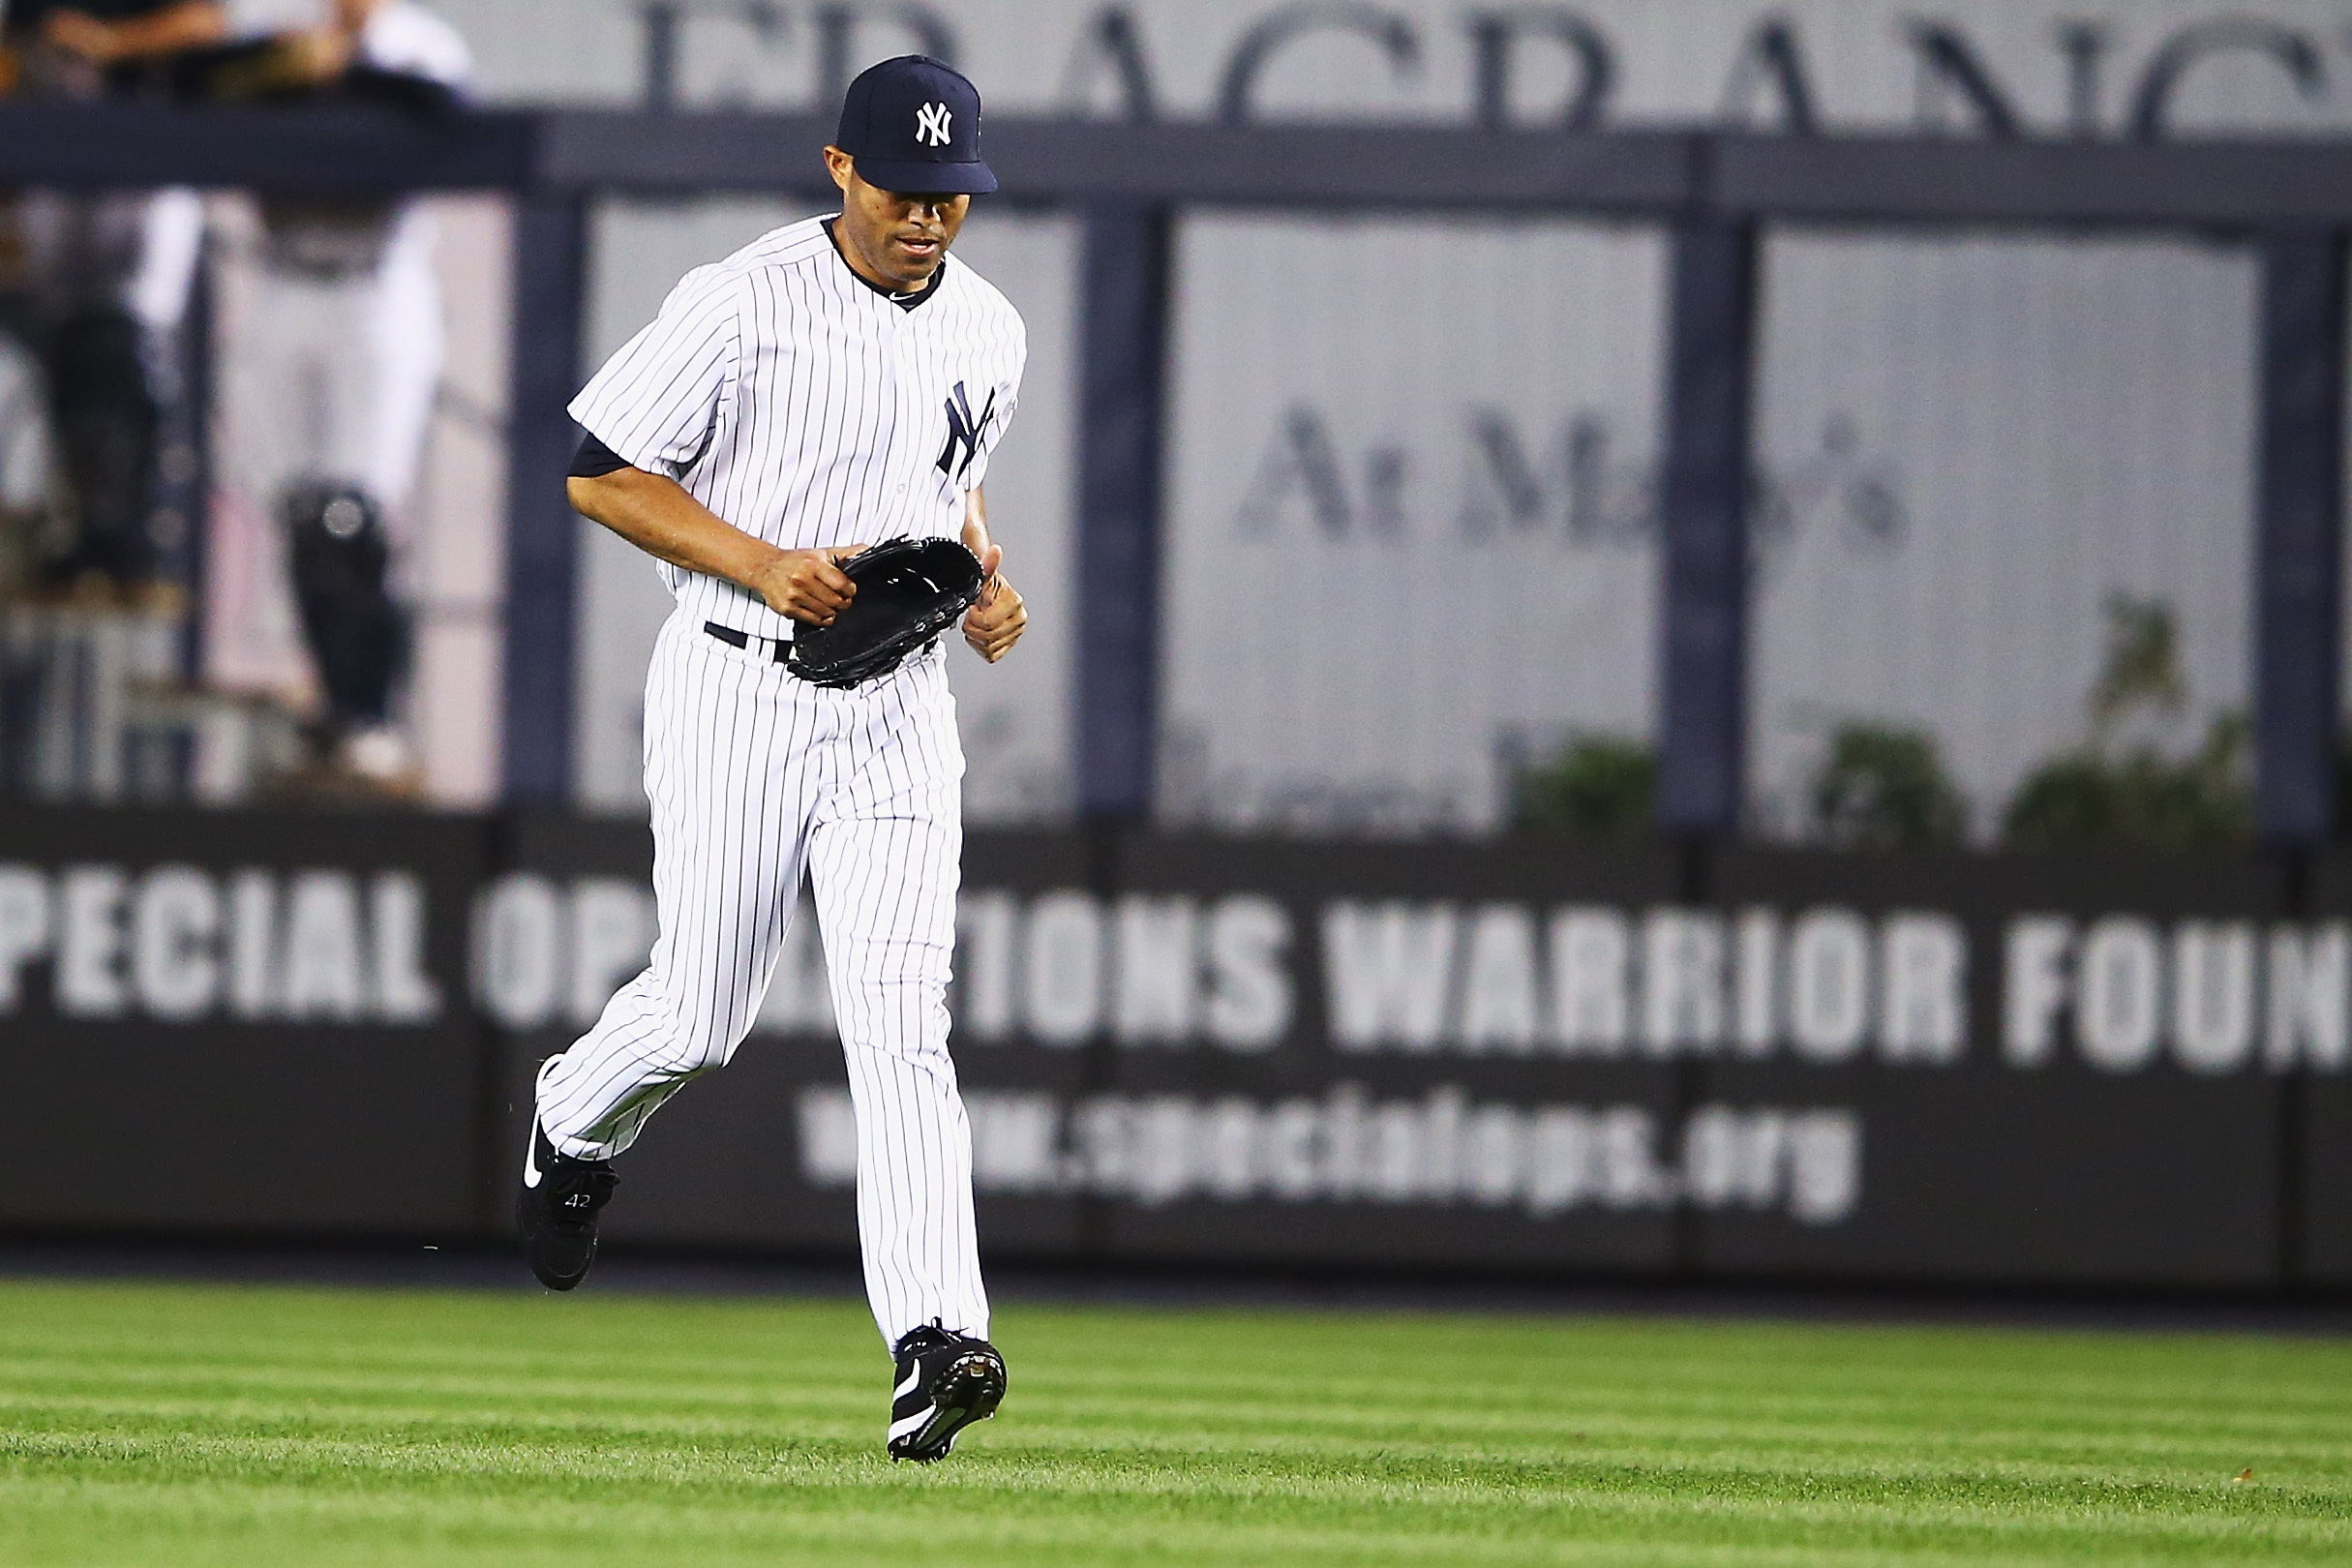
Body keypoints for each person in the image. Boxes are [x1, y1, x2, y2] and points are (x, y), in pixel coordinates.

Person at [518, 55, 1030, 1465]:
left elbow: (949, 484)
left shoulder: (990, 328)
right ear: (839, 170)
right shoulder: (741, 301)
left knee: (900, 1021)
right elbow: (595, 465)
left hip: (896, 709)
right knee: (700, 1013)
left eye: (951, 193)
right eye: (904, 189)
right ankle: (572, 1118)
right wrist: (761, 563)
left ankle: (933, 1341)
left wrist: (984, 577)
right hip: (738, 681)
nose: (928, 217)